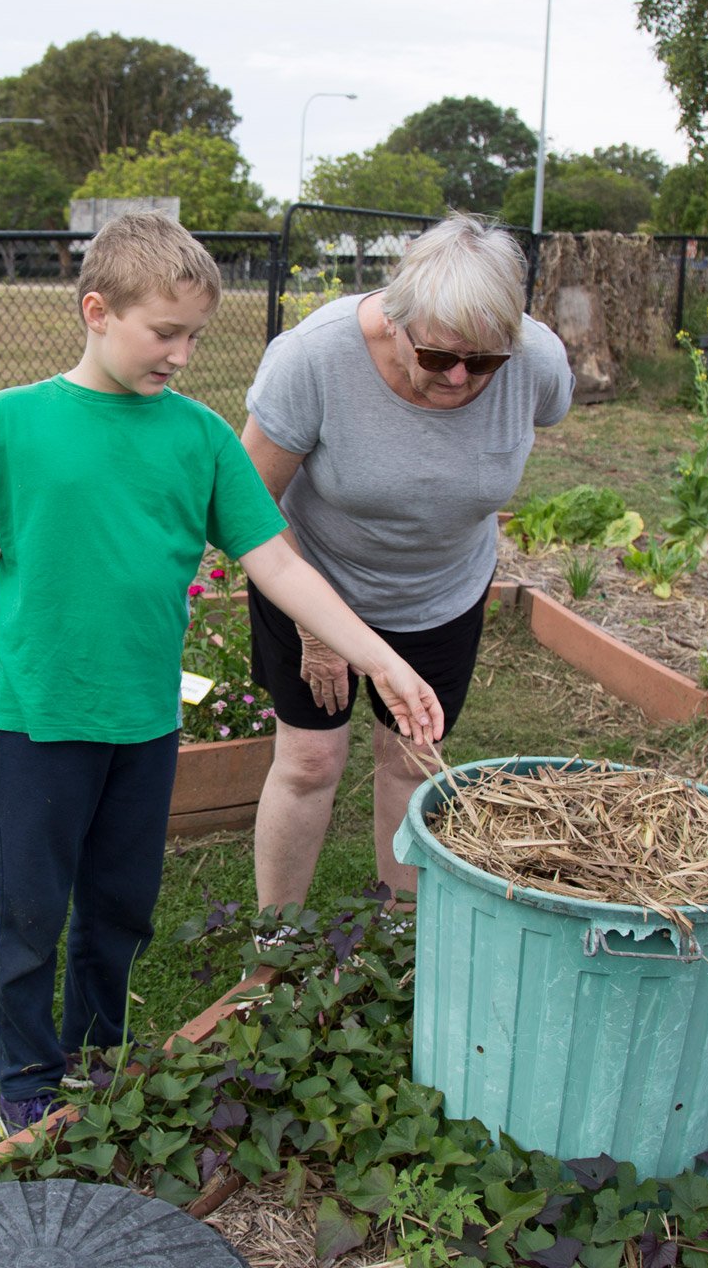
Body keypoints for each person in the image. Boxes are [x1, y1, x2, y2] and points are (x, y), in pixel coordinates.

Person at [0, 212, 445, 1140]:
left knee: (119, 908)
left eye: (194, 336)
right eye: (163, 332)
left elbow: (282, 565)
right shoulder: (10, 422)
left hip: (143, 726)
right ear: (97, 311)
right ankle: (26, 1072)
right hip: (36, 720)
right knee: (27, 912)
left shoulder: (203, 440)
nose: (181, 355)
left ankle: (96, 1057)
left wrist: (379, 655)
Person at [241, 213, 575, 912]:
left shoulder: (533, 361)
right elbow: (248, 505)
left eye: (482, 362)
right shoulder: (315, 359)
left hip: (440, 595)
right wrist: (316, 629)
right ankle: (276, 943)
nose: (459, 378)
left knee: (411, 761)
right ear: (396, 321)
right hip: (311, 579)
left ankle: (396, 943)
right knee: (309, 761)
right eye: (439, 357)